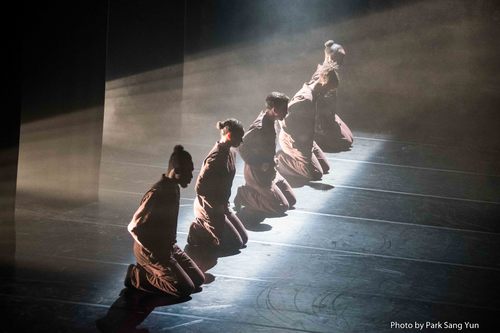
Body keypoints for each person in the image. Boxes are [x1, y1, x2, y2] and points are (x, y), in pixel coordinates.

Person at [124, 145, 204, 298]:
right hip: (152, 252)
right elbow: (133, 226)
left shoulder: (174, 187)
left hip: (168, 247)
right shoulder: (157, 193)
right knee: (184, 289)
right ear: (177, 171)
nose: (191, 177)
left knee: (198, 280)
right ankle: (137, 277)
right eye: (188, 173)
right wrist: (153, 251)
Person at [187, 119, 248, 251]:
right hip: (211, 206)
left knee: (244, 239)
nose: (241, 141)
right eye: (239, 138)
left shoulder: (231, 152)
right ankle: (198, 228)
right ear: (230, 136)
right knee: (235, 243)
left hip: (222, 204)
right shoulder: (216, 158)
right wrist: (216, 206)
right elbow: (200, 188)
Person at [234, 92, 296, 216]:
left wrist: (270, 160)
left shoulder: (271, 120)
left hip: (269, 169)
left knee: (291, 200)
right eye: (284, 109)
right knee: (281, 207)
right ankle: (245, 194)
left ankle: (264, 190)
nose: (286, 112)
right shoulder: (259, 128)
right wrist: (259, 163)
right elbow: (241, 145)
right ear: (274, 110)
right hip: (257, 171)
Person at [276, 63, 337, 183]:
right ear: (324, 83)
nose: (328, 93)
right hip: (295, 140)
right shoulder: (305, 100)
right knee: (315, 174)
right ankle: (279, 159)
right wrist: (296, 142)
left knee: (325, 167)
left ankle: (300, 156)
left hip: (306, 139)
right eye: (329, 89)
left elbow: (322, 72)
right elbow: (283, 117)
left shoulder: (314, 86)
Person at [312, 40, 353, 152]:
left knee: (349, 139)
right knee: (345, 142)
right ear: (331, 58)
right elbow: (316, 105)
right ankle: (317, 137)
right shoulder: (321, 76)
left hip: (329, 117)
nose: (342, 62)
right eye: (340, 59)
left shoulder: (331, 72)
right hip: (320, 121)